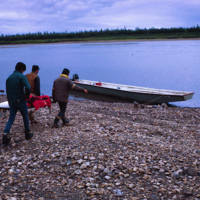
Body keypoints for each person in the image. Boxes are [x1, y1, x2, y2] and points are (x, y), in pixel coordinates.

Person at [2, 62, 33, 145]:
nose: (23, 72)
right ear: (22, 69)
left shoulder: (9, 77)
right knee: (25, 116)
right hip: (20, 100)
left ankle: (5, 133)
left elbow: (8, 90)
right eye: (23, 70)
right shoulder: (21, 76)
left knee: (11, 118)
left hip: (11, 101)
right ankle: (28, 133)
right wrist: (26, 96)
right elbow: (28, 87)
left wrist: (10, 100)